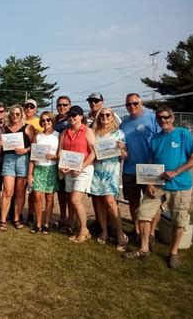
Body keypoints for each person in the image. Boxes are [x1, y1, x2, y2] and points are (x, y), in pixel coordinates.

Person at [123, 107, 193, 269]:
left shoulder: (182, 134)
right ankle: (144, 249)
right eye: (159, 118)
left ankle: (173, 253)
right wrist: (149, 183)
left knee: (178, 221)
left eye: (166, 117)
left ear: (172, 118)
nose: (163, 121)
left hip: (180, 185)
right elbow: (150, 163)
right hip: (158, 184)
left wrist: (175, 172)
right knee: (143, 213)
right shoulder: (155, 139)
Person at [120, 93, 161, 243]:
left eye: (135, 103)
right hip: (130, 168)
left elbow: (161, 139)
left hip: (150, 169)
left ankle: (151, 234)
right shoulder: (123, 124)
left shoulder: (152, 118)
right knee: (133, 202)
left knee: (152, 201)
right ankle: (137, 231)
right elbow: (122, 147)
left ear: (141, 102)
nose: (132, 107)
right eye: (129, 104)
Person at [90, 108, 129, 251]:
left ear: (112, 117)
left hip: (111, 172)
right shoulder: (94, 133)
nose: (105, 117)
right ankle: (104, 231)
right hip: (96, 172)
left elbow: (125, 155)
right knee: (99, 201)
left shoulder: (119, 134)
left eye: (108, 115)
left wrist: (122, 149)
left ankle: (120, 235)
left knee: (110, 202)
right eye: (102, 115)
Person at [59, 105, 96, 243]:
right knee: (72, 200)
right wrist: (61, 165)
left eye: (74, 115)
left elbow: (93, 153)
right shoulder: (65, 132)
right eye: (69, 115)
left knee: (75, 200)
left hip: (84, 170)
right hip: (69, 170)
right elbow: (61, 151)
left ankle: (84, 230)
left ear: (81, 116)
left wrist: (81, 167)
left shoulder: (87, 131)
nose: (71, 118)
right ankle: (74, 226)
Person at [0, 104, 35, 231]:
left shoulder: (27, 128)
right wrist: (1, 144)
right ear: (10, 114)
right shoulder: (4, 128)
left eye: (17, 114)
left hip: (22, 161)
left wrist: (25, 150)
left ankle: (16, 217)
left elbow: (35, 146)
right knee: (7, 192)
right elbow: (1, 148)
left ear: (21, 115)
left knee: (20, 192)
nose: (15, 116)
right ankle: (3, 220)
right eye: (13, 113)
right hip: (8, 160)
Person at [27, 111, 60, 234]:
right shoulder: (38, 136)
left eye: (48, 120)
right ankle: (38, 224)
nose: (46, 122)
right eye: (43, 120)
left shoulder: (58, 135)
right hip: (39, 169)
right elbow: (32, 157)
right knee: (37, 197)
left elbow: (61, 154)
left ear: (52, 121)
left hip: (51, 169)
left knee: (50, 197)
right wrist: (29, 174)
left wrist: (55, 157)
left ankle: (47, 224)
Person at [53, 96, 72, 231]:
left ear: (69, 105)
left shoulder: (73, 119)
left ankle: (71, 220)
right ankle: (63, 217)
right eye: (59, 105)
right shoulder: (53, 120)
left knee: (70, 192)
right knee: (60, 192)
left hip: (70, 162)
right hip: (56, 161)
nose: (62, 107)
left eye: (65, 105)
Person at [23, 98, 43, 226]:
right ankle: (15, 212)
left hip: (34, 159)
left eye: (32, 107)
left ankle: (30, 215)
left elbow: (41, 143)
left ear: (35, 109)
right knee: (19, 188)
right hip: (20, 158)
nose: (29, 109)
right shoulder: (20, 120)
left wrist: (28, 149)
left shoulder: (40, 122)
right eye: (27, 106)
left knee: (31, 188)